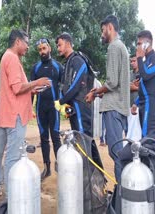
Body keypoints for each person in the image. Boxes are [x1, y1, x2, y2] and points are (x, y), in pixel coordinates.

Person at [0, 29, 50, 196]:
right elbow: (17, 89)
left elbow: (12, 88)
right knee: (13, 156)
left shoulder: (7, 57)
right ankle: (12, 196)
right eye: (26, 43)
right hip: (14, 115)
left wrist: (33, 89)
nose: (28, 47)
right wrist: (37, 82)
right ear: (18, 41)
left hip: (5, 113)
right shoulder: (12, 58)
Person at [85, 15, 130, 182]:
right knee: (118, 151)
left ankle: (121, 195)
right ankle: (123, 192)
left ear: (110, 27)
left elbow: (111, 82)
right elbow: (117, 84)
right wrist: (101, 91)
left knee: (116, 152)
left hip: (113, 108)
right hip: (121, 106)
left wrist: (95, 93)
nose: (102, 34)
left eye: (103, 30)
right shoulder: (122, 47)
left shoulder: (113, 47)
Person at [30, 38, 63, 180]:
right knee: (44, 137)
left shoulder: (58, 67)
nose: (42, 52)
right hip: (40, 107)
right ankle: (47, 168)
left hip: (54, 107)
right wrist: (28, 108)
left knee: (55, 137)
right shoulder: (35, 68)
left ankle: (61, 167)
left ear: (49, 48)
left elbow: (65, 86)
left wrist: (65, 105)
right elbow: (31, 89)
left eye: (44, 48)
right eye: (39, 50)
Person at [54, 32, 93, 137]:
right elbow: (64, 86)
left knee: (84, 138)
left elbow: (75, 86)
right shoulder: (68, 63)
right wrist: (64, 104)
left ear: (68, 44)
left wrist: (61, 101)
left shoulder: (77, 61)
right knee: (78, 140)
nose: (58, 48)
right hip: (73, 107)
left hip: (81, 105)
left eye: (60, 45)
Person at [131, 30, 155, 138]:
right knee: (144, 136)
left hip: (150, 104)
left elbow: (146, 75)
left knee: (147, 137)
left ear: (147, 44)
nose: (137, 47)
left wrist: (139, 57)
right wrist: (136, 103)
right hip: (143, 104)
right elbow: (143, 83)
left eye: (139, 44)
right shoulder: (145, 62)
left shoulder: (153, 59)